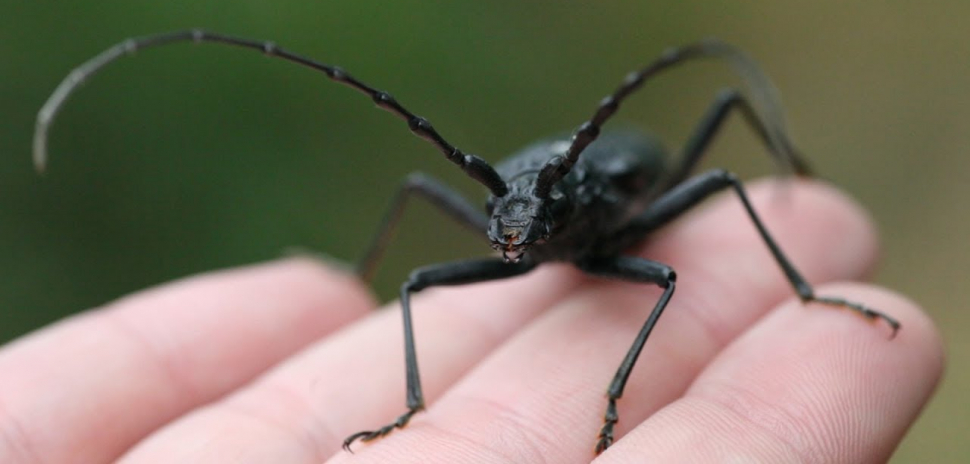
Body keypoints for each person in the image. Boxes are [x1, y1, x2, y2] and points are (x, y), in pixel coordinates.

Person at [0, 180, 943, 463]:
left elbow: (662, 281)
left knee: (693, 228)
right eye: (505, 233)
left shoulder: (609, 232)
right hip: (552, 200)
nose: (512, 246)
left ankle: (812, 292)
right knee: (413, 277)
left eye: (524, 235)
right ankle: (409, 401)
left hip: (615, 204)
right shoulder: (515, 226)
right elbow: (438, 197)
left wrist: (613, 399)